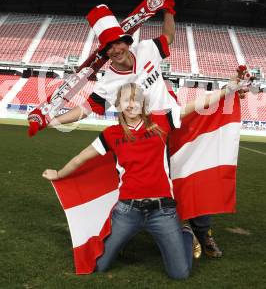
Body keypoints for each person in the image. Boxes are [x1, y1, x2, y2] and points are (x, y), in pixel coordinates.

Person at [41, 0, 245, 258]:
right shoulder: (108, 81)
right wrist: (53, 119)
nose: (116, 49)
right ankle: (174, 227)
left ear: (127, 42)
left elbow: (169, 37)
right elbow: (86, 109)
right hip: (144, 136)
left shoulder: (147, 48)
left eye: (119, 43)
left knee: (193, 169)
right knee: (157, 180)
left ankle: (202, 231)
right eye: (109, 47)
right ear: (104, 53)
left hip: (175, 119)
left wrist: (168, 11)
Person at [43, 83, 194, 279]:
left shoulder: (161, 122)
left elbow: (197, 105)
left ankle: (186, 233)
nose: (131, 104)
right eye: (126, 100)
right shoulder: (111, 134)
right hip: (127, 211)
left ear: (143, 104)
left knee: (179, 274)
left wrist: (229, 88)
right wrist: (59, 173)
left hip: (162, 211)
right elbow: (82, 157)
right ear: (118, 104)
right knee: (100, 265)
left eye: (136, 99)